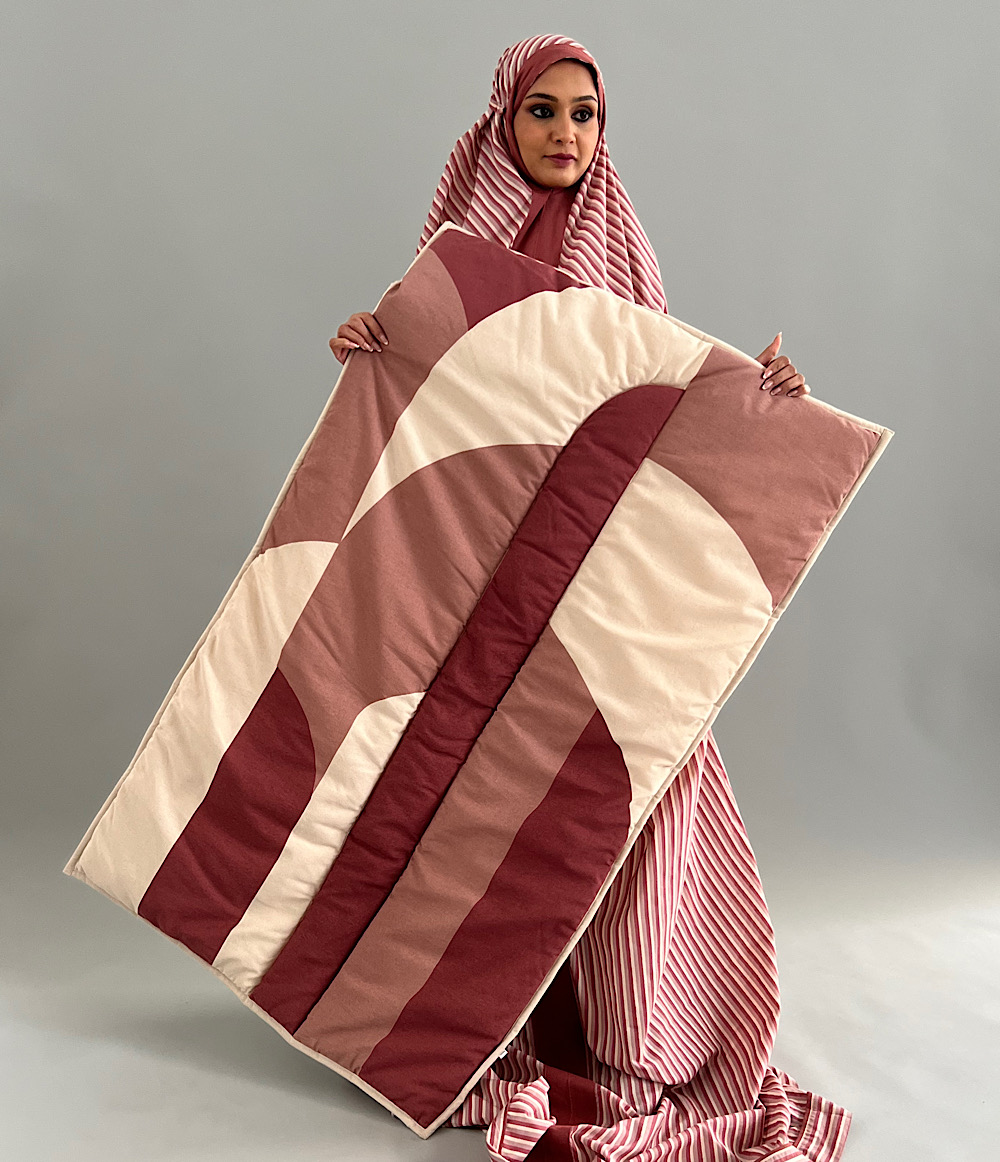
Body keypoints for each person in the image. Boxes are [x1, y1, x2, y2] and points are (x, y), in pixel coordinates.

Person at [329, 34, 847, 1162]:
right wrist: (374, 346)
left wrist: (766, 396)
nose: (567, 133)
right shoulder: (458, 248)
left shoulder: (618, 241)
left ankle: (646, 1026)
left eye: (586, 115)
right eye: (543, 111)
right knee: (475, 795)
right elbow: (435, 414)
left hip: (604, 575)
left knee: (628, 785)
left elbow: (666, 400)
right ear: (502, 120)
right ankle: (473, 1022)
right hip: (483, 580)